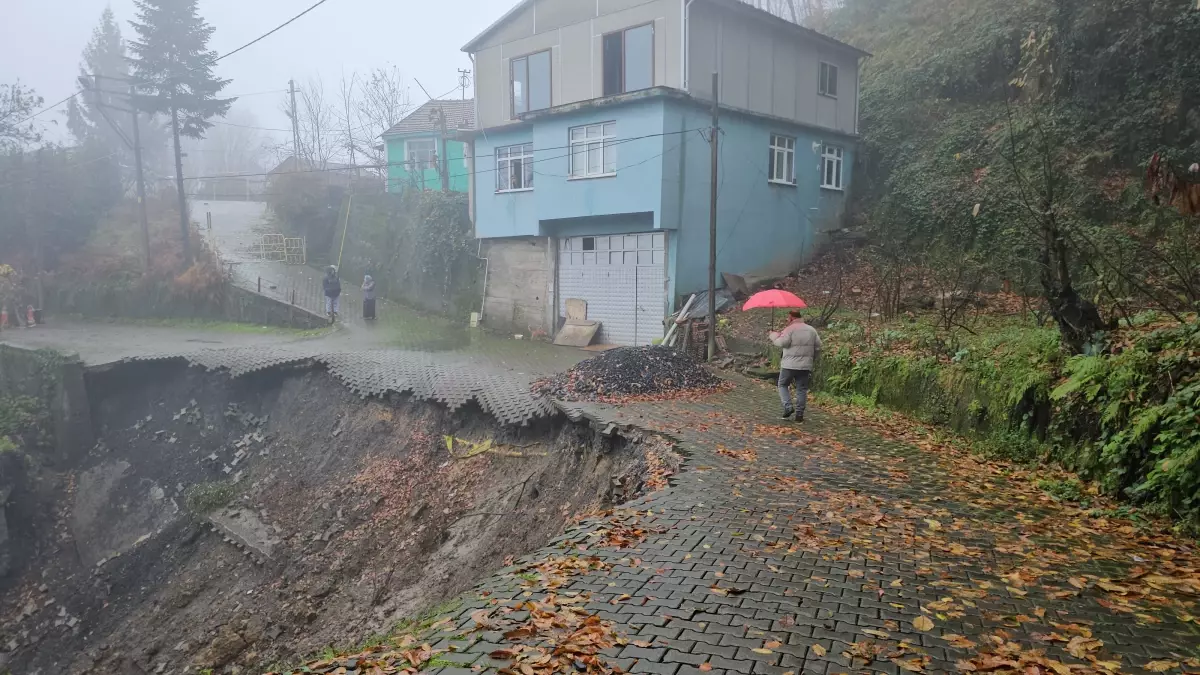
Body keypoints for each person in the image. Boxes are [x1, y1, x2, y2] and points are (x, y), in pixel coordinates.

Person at [769, 310, 822, 422]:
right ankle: (799, 415)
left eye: (788, 318)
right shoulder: (812, 330)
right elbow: (818, 347)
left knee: (782, 385)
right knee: (801, 389)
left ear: (792, 318)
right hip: (805, 366)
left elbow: (782, 343)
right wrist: (811, 359)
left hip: (789, 365)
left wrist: (773, 336)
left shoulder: (789, 329)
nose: (787, 320)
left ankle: (788, 406)